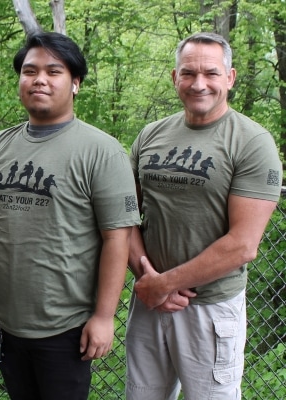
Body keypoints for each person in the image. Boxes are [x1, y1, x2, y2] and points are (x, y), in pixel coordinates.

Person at [0, 32, 141, 400]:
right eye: (29, 71)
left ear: (75, 83)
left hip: (66, 327)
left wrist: (104, 317)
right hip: (6, 321)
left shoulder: (102, 151)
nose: (39, 79)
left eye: (53, 71)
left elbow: (117, 238)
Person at [126, 32, 283, 399]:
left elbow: (243, 245)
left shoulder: (252, 142)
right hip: (149, 301)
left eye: (211, 73)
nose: (199, 84)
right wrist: (148, 280)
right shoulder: (151, 135)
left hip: (211, 309)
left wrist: (164, 284)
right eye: (188, 73)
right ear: (174, 77)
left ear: (230, 77)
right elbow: (126, 217)